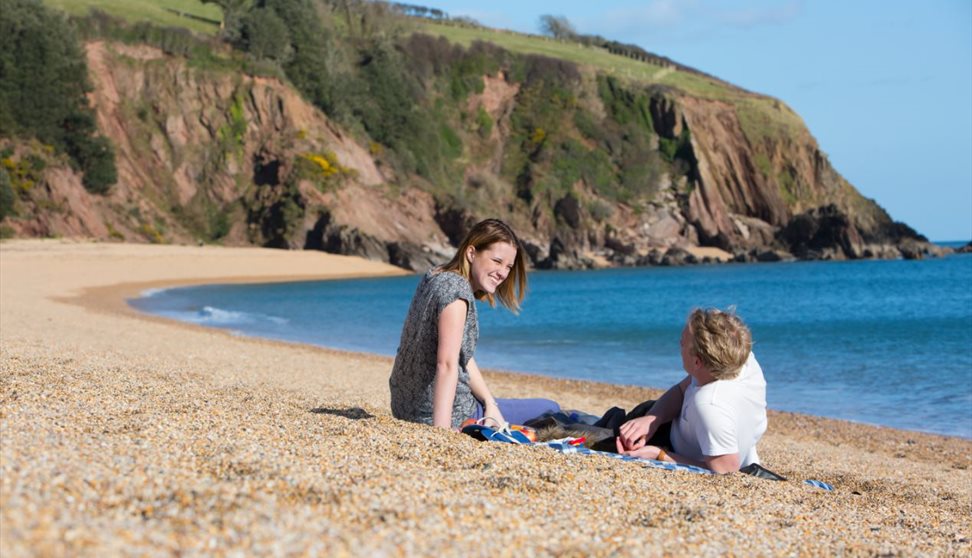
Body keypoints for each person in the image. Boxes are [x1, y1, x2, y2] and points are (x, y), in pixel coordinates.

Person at [389, 218, 560, 430]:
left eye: (508, 266)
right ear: (471, 253)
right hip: (442, 413)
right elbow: (447, 365)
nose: (503, 273)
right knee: (551, 408)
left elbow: (461, 356)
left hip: (404, 406)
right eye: (497, 261)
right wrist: (440, 433)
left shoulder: (436, 275)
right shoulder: (457, 295)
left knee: (508, 408)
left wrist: (490, 403)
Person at [615, 308, 767, 474]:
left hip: (674, 447)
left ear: (697, 362)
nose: (680, 343)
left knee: (606, 431)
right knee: (631, 415)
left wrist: (659, 454)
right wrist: (653, 418)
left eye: (683, 341)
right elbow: (682, 390)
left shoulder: (710, 404)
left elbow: (727, 470)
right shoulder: (737, 357)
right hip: (677, 424)